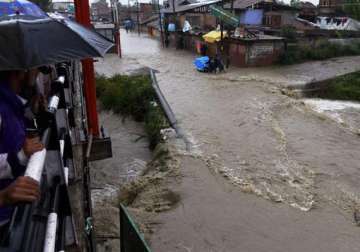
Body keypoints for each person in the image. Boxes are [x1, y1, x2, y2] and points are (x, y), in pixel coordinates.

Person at [0, 70, 43, 230]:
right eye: (35, 67)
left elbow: (12, 136)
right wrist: (19, 157)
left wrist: (34, 114)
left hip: (14, 212)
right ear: (20, 71)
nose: (38, 72)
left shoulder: (11, 102)